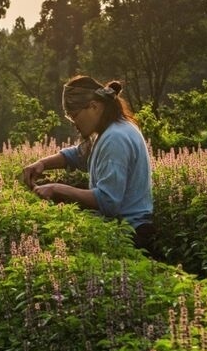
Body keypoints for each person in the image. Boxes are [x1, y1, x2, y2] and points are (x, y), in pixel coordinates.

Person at [21, 75, 156, 253]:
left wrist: (57, 189)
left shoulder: (115, 138)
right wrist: (42, 164)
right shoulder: (110, 130)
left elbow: (108, 201)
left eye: (74, 116)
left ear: (94, 106)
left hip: (131, 235)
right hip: (127, 230)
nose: (74, 124)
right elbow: (79, 154)